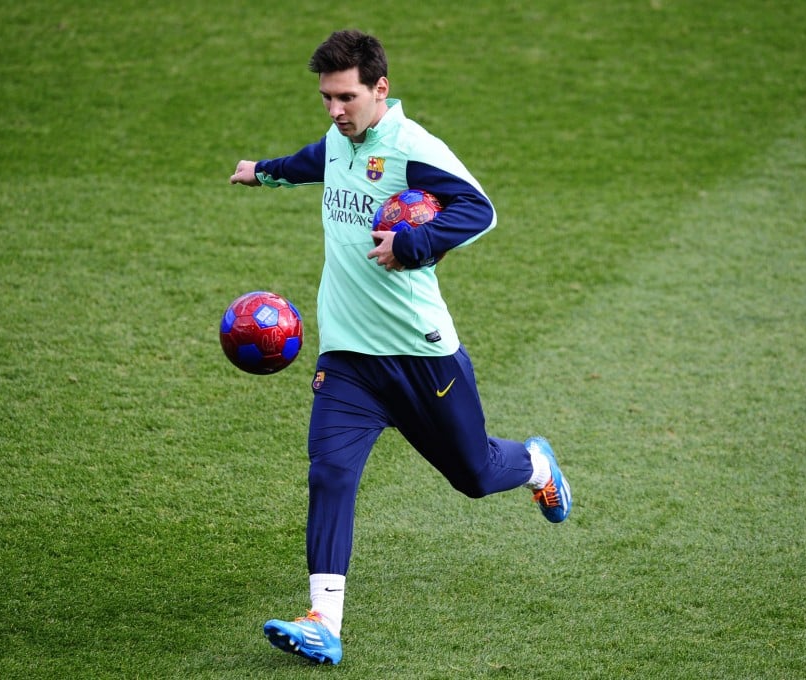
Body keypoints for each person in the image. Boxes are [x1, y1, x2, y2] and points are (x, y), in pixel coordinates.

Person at [229, 29, 571, 666]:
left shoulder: (414, 148)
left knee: (472, 475)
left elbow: (480, 210)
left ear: (379, 89)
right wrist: (263, 173)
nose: (335, 110)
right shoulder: (339, 140)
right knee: (330, 475)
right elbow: (314, 160)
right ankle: (323, 621)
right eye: (327, 98)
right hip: (348, 359)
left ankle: (535, 465)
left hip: (421, 355)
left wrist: (414, 246)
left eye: (347, 97)